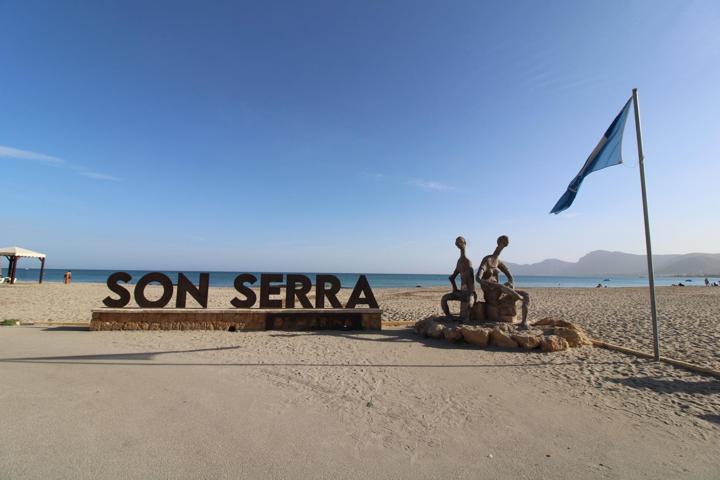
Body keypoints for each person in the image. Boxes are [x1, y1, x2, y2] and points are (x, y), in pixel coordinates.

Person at [476, 235, 530, 329]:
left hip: (499, 291)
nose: (503, 247)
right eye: (503, 244)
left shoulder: (498, 262)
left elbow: (509, 275)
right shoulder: (487, 260)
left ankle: (524, 322)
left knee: (526, 294)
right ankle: (518, 297)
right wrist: (484, 283)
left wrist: (512, 284)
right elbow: (478, 278)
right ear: (498, 244)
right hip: (490, 293)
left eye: (505, 245)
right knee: (501, 286)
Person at [440, 236, 476, 321]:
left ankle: (466, 318)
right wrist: (455, 289)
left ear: (464, 243)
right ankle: (448, 316)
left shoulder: (468, 262)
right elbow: (452, 277)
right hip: (461, 293)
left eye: (460, 242)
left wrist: (471, 293)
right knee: (444, 298)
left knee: (470, 304)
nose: (459, 245)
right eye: (457, 243)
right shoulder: (459, 262)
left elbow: (472, 281)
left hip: (470, 293)